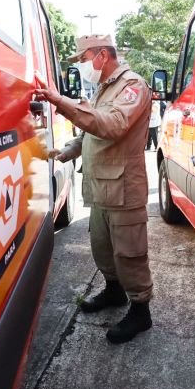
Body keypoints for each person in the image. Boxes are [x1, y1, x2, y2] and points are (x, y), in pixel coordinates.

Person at [33, 34, 153, 344]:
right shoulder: (105, 88)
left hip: (124, 187)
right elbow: (92, 133)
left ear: (101, 55)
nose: (83, 66)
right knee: (102, 246)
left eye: (84, 59)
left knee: (130, 252)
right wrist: (69, 150)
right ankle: (114, 291)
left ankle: (140, 310)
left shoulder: (132, 86)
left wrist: (62, 102)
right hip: (102, 185)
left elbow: (110, 126)